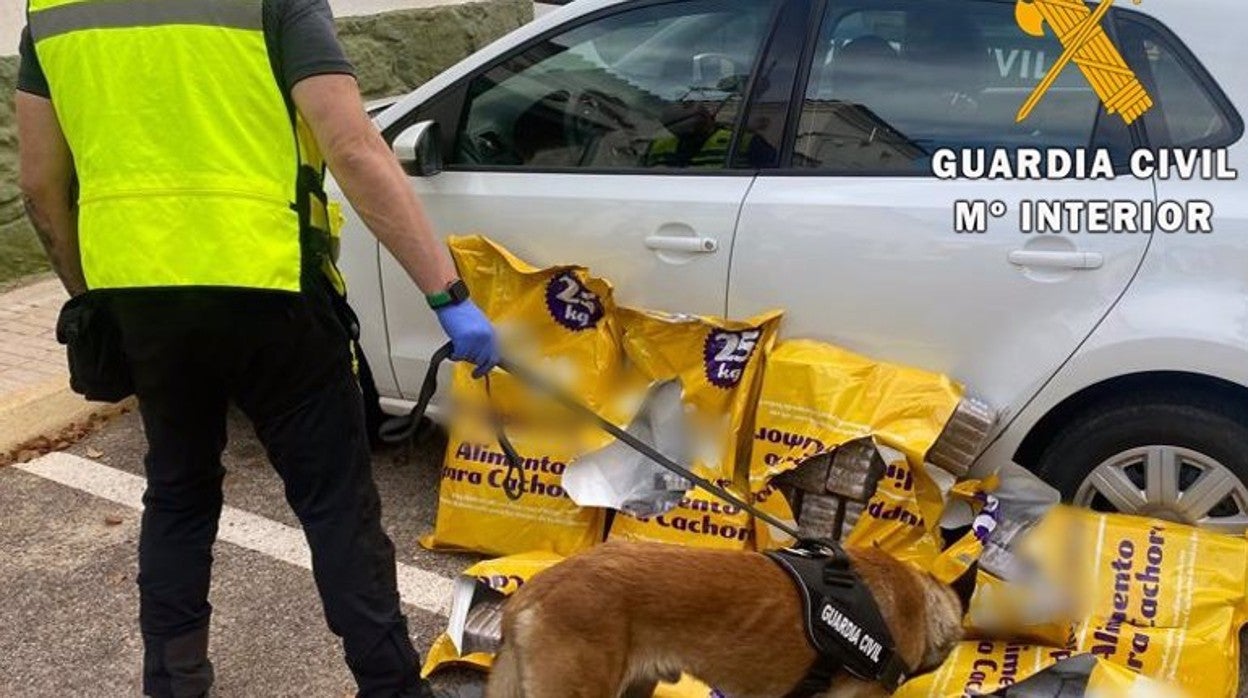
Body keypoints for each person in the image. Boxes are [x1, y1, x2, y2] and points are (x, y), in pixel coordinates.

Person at [16, 0, 499, 696]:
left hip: (141, 298)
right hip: (272, 290)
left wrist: (90, 297)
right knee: (335, 503)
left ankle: (174, 681)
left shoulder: (56, 9)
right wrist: (449, 298)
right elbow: (355, 148)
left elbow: (39, 183)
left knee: (179, 494)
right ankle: (391, 685)